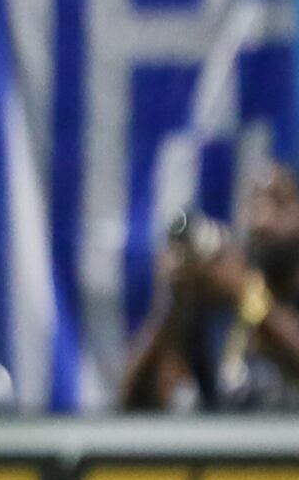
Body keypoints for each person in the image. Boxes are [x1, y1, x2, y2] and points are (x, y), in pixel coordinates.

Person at [120, 170, 299, 412]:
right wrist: (174, 309)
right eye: (254, 203)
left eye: (278, 203)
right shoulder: (219, 307)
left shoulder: (244, 293)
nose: (262, 220)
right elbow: (136, 403)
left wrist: (247, 296)